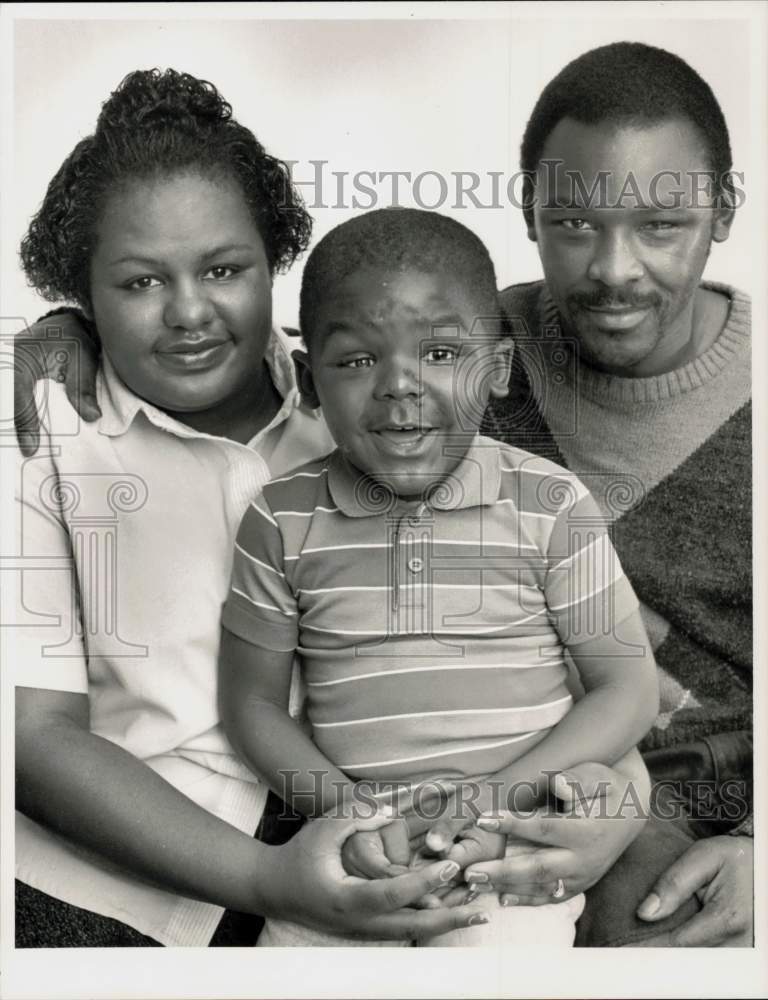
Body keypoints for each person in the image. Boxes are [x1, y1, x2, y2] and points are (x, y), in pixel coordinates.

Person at [11, 68, 490, 948]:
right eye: (141, 283)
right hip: (101, 890)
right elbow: (32, 740)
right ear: (79, 291)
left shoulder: (369, 407)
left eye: (225, 268)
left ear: (274, 260)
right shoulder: (41, 434)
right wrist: (270, 879)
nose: (191, 312)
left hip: (373, 855)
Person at [217, 207, 659, 947]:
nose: (398, 385)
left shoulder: (547, 502)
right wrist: (354, 818)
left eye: (443, 353)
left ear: (501, 368)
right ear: (309, 380)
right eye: (356, 360)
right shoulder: (280, 517)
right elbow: (251, 706)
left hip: (506, 863)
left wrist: (492, 804)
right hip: (352, 858)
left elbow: (628, 689)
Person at [474, 41, 753, 947]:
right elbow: (264, 370)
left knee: (639, 928)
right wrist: (70, 329)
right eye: (576, 223)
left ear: (725, 212)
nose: (614, 269)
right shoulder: (462, 351)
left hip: (691, 805)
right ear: (529, 213)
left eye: (660, 227)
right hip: (486, 769)